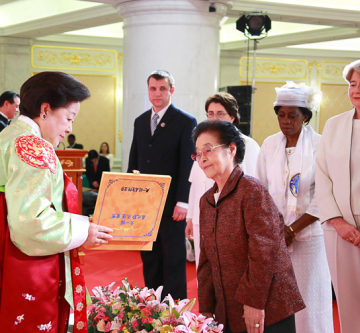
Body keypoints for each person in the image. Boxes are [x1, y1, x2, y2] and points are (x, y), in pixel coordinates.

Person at [0, 71, 113, 333]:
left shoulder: (0, 142)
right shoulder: (33, 147)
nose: (69, 129)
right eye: (69, 118)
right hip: (15, 260)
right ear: (45, 110)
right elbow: (31, 223)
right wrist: (82, 230)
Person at [194, 120, 305, 333]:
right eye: (198, 153)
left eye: (208, 150)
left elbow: (264, 252)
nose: (202, 158)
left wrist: (255, 302)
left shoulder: (252, 191)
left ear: (231, 149)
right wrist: (206, 309)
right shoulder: (206, 201)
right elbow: (206, 259)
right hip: (229, 309)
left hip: (267, 309)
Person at [256, 82, 333, 333]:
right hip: (275, 238)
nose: (286, 120)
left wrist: (292, 229)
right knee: (280, 302)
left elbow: (323, 195)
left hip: (310, 239)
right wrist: (277, 229)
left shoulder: (321, 145)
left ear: (306, 116)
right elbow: (261, 190)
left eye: (293, 115)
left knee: (311, 301)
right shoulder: (269, 145)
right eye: (281, 115)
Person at [316, 57, 360, 333]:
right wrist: (337, 222)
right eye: (352, 84)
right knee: (348, 306)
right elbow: (322, 174)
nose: (356, 89)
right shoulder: (334, 125)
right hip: (340, 232)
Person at [128, 69, 197, 300]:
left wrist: (183, 201)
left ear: (171, 91)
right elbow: (134, 161)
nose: (157, 93)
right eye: (153, 88)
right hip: (145, 206)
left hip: (172, 206)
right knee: (150, 257)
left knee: (173, 259)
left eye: (162, 88)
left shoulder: (186, 121)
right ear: (148, 90)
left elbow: (188, 164)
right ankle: (153, 306)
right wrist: (130, 199)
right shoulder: (140, 121)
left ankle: (175, 312)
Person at [185, 93, 260, 269]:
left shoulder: (248, 145)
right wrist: (190, 216)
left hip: (231, 218)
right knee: (202, 268)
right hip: (201, 215)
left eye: (220, 113)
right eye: (210, 114)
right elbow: (195, 183)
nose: (214, 118)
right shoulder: (202, 143)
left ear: (232, 117)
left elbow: (256, 182)